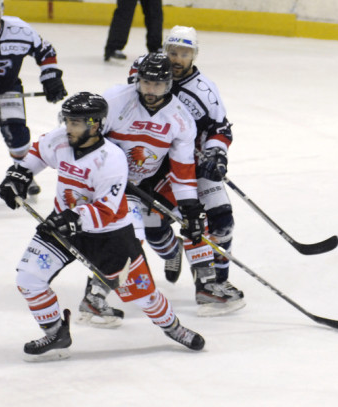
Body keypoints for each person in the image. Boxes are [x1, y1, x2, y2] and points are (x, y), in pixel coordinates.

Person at [0, 92, 205, 361]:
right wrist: (19, 175)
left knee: (145, 297)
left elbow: (106, 211)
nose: (68, 128)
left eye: (76, 123)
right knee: (28, 279)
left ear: (95, 125)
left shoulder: (111, 159)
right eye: (68, 121)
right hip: (62, 226)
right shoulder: (62, 139)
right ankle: (56, 332)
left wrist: (74, 218)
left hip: (109, 236)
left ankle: (173, 327)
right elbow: (38, 151)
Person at [77, 53, 206, 325]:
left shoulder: (181, 119)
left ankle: (171, 251)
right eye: (146, 83)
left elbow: (183, 171)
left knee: (155, 229)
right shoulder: (115, 101)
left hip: (148, 181)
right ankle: (95, 296)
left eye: (158, 85)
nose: (150, 91)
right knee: (127, 237)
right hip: (110, 181)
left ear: (170, 84)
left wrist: (190, 208)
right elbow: (83, 137)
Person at [127, 26, 243, 316]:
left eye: (185, 53)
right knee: (154, 229)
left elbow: (221, 128)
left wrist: (216, 153)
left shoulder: (204, 90)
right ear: (164, 50)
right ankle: (173, 252)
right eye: (173, 52)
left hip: (194, 163)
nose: (177, 58)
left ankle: (217, 282)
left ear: (195, 54)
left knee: (221, 222)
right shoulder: (147, 68)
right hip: (153, 164)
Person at [0, 0, 68, 196]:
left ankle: (23, 173)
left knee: (17, 134)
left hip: (6, 88)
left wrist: (51, 77)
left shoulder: (20, 30)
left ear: (1, 11)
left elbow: (45, 51)